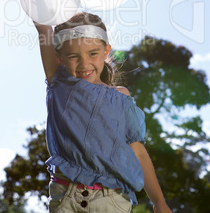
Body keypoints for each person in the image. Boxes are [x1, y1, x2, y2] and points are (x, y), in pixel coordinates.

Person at [35, 11, 172, 212]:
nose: (84, 64)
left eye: (93, 53)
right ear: (60, 57)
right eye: (73, 56)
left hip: (111, 202)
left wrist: (159, 202)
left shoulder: (121, 97)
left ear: (106, 51)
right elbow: (43, 27)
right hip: (66, 198)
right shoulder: (60, 81)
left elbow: (138, 152)